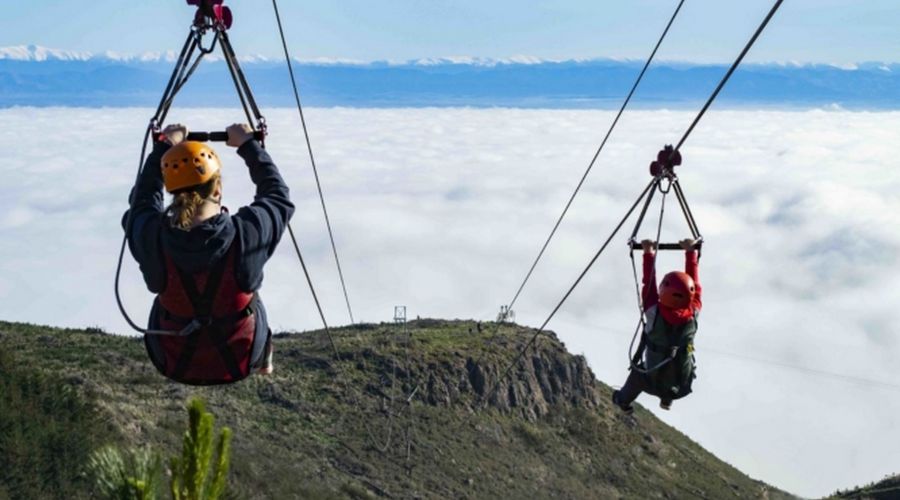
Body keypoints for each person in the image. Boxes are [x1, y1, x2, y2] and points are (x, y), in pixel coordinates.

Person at [123, 123, 294, 385]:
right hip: (241, 359)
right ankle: (264, 357)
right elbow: (277, 196)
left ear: (170, 189)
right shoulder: (247, 234)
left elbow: (143, 201)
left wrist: (164, 147)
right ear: (217, 190)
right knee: (250, 289)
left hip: (173, 360)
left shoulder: (153, 237)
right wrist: (249, 146)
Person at [612, 237, 702, 414]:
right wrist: (691, 252)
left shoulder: (654, 312)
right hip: (682, 384)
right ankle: (667, 400)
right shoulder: (693, 313)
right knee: (673, 361)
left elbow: (649, 283)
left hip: (653, 381)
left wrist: (648, 251)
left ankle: (623, 401)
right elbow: (695, 287)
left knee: (638, 374)